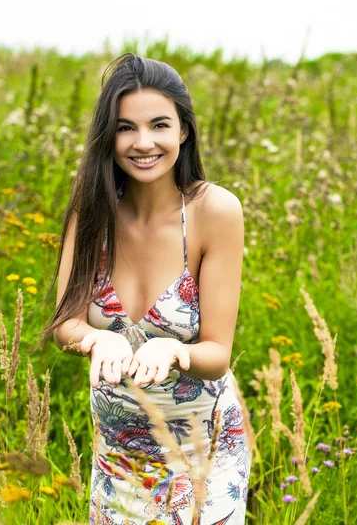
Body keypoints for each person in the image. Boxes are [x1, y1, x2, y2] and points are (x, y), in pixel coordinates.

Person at [38, 54, 251, 524]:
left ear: (184, 131)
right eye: (125, 128)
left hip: (203, 452)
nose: (143, 143)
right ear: (107, 136)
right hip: (117, 454)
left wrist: (176, 350)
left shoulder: (214, 211)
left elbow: (217, 352)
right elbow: (65, 324)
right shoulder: (90, 212)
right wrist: (96, 337)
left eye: (159, 125)